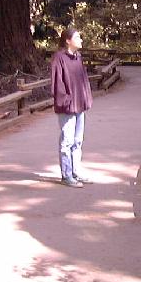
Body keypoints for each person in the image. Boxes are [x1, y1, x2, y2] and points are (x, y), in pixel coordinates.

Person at [51, 28, 93, 188]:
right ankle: (66, 175)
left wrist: (86, 98)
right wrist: (65, 101)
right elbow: (57, 83)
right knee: (67, 141)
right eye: (77, 37)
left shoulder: (78, 57)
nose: (81, 39)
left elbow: (84, 80)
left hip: (80, 104)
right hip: (67, 107)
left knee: (78, 141)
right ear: (68, 40)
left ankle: (76, 171)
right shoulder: (59, 58)